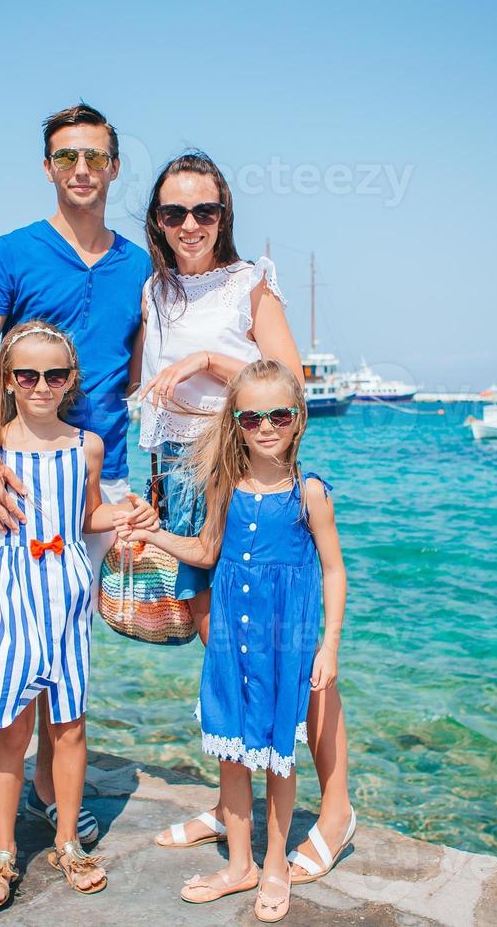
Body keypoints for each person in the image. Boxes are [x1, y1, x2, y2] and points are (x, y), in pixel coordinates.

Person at [0, 104, 151, 844]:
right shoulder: (12, 252)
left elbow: (138, 372)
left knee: (63, 625)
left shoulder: (139, 264)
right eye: (67, 157)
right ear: (49, 167)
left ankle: (50, 778)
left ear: (114, 166)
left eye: (96, 157)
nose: (82, 169)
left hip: (93, 472)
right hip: (8, 475)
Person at [135, 152, 357, 884]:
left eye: (205, 210)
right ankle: (232, 802)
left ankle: (335, 812)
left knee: (297, 658)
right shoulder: (155, 289)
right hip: (177, 474)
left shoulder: (249, 282)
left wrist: (206, 360)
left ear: (224, 214)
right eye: (175, 212)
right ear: (157, 221)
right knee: (224, 648)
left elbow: (287, 382)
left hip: (234, 466)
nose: (191, 224)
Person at [0, 321, 157, 909]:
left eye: (55, 375)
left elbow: (87, 517)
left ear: (71, 380)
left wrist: (130, 514)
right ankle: (2, 852)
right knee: (13, 730)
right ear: (9, 379)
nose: (42, 385)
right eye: (28, 374)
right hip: (6, 601)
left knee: (69, 726)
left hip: (66, 601)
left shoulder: (88, 446)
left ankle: (68, 841)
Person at [119, 360, 346, 922]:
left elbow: (334, 571)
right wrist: (153, 534)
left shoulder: (309, 493)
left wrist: (329, 646)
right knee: (232, 756)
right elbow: (204, 552)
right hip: (228, 642)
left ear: (299, 418)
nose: (265, 426)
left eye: (278, 415)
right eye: (250, 417)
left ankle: (274, 865)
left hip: (285, 646)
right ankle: (238, 864)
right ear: (236, 423)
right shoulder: (223, 484)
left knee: (278, 759)